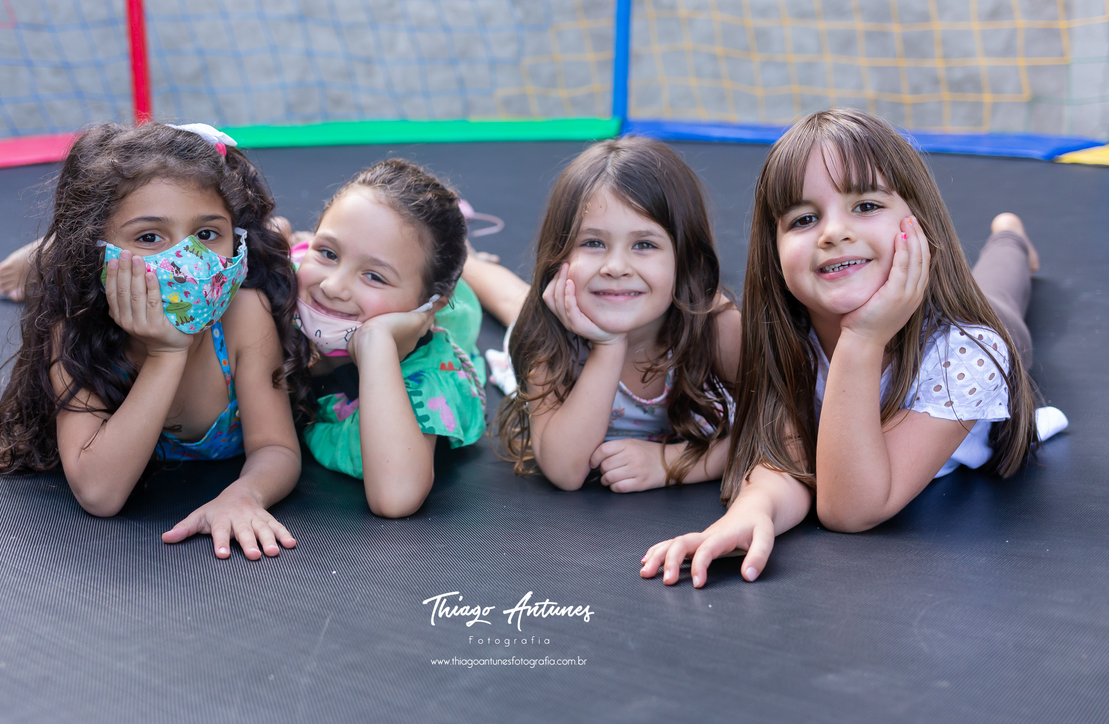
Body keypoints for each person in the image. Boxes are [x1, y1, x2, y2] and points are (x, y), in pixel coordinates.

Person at [641, 108, 1067, 587]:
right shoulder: (787, 339)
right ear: (773, 253)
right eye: (804, 218)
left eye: (865, 206)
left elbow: (851, 509)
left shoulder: (967, 351)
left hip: (978, 333)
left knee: (1000, 289)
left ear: (919, 221)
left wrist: (863, 338)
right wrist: (751, 511)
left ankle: (1009, 235)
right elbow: (789, 458)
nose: (833, 233)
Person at [0, 122, 313, 560]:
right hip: (89, 269)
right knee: (61, 270)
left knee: (283, 250)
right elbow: (100, 493)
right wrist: (168, 351)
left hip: (265, 270)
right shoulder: (76, 327)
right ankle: (53, 251)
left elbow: (275, 447)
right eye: (149, 237)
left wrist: (247, 494)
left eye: (207, 234)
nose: (186, 263)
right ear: (99, 252)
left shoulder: (243, 312)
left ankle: (277, 234)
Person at [480, 136, 740, 493]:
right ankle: (467, 261)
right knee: (515, 303)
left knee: (514, 299)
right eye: (593, 242)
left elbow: (782, 432)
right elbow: (565, 471)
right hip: (571, 321)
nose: (616, 266)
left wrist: (671, 464)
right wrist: (608, 345)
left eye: (644, 244)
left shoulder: (718, 329)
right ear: (559, 256)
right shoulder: (547, 335)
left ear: (686, 260)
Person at [290, 159, 486, 518]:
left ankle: (479, 264)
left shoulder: (428, 376)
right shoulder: (286, 291)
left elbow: (395, 497)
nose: (332, 287)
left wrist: (377, 340)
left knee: (485, 300)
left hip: (457, 316)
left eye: (374, 277)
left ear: (428, 305)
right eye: (328, 252)